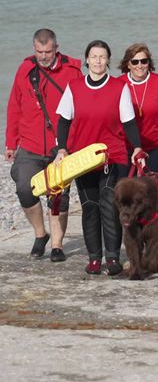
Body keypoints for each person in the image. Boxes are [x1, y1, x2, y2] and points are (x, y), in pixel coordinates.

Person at [54, 40, 143, 276]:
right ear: (87, 60)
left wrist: (137, 148)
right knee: (90, 207)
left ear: (108, 61)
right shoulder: (74, 87)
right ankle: (94, 258)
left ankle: (112, 257)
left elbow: (129, 122)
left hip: (111, 156)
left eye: (102, 57)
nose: (98, 61)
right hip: (82, 158)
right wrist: (62, 149)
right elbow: (63, 120)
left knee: (108, 204)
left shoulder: (118, 88)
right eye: (94, 57)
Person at [5, 29, 82, 262]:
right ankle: (41, 233)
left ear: (56, 48)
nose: (44, 56)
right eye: (39, 52)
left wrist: (73, 143)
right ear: (34, 49)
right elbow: (14, 106)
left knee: (59, 196)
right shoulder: (25, 69)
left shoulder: (72, 71)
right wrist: (10, 142)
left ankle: (57, 245)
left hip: (62, 146)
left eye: (48, 51)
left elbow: (82, 108)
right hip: (29, 143)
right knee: (24, 189)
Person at [118, 43, 158, 177]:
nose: (139, 65)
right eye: (135, 62)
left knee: (156, 189)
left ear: (148, 63)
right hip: (127, 147)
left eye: (143, 61)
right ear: (128, 64)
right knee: (130, 191)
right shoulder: (118, 84)